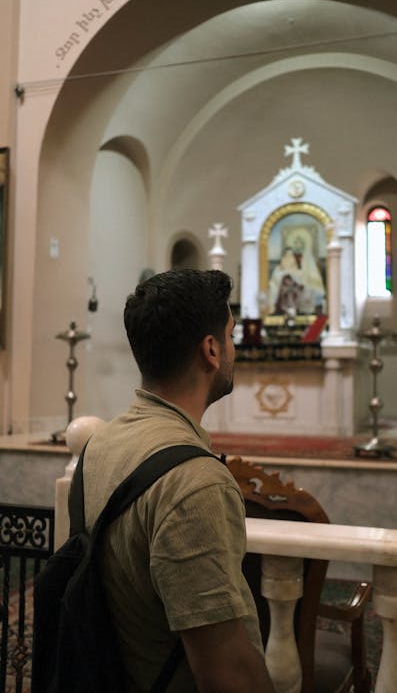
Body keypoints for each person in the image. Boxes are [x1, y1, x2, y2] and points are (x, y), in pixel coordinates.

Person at [81, 269, 276, 693]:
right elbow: (226, 673)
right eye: (230, 334)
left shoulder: (101, 443)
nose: (233, 349)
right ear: (211, 350)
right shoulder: (196, 482)